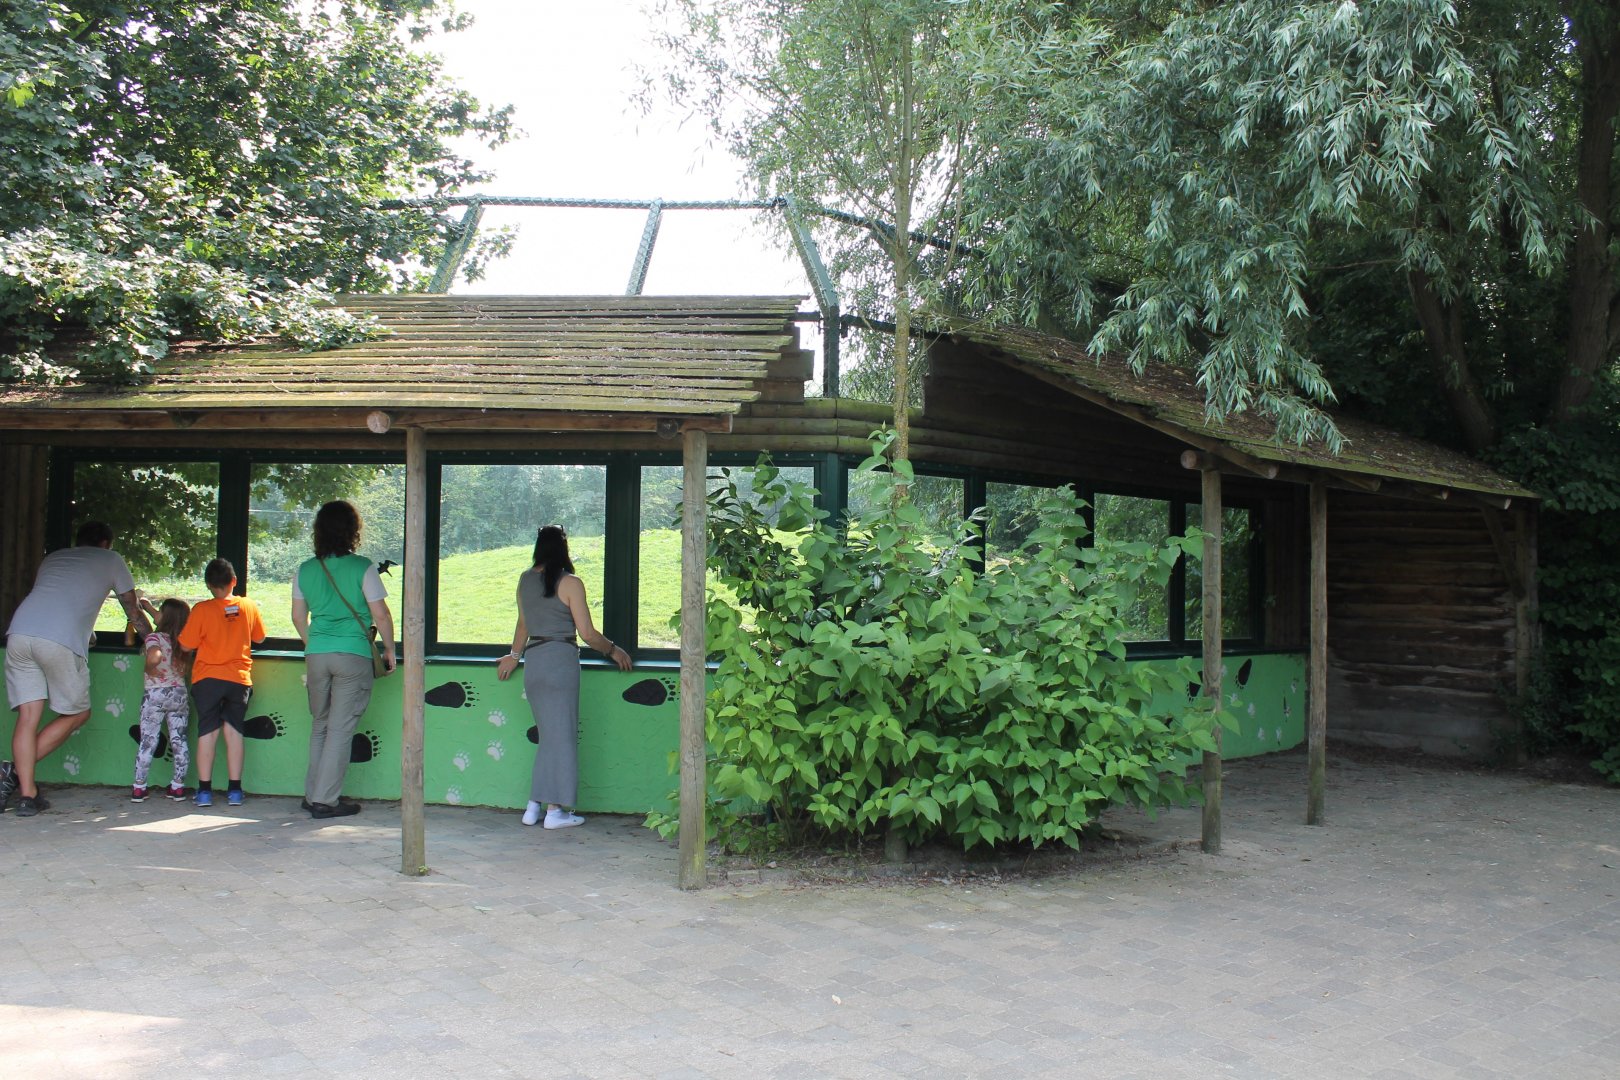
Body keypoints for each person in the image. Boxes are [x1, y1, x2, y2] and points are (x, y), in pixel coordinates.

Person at [2, 521, 150, 817]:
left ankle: (27, 795)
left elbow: (57, 599)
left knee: (29, 716)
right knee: (78, 713)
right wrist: (157, 640)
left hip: (19, 633)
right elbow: (132, 610)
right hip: (59, 641)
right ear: (107, 544)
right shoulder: (111, 559)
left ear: (78, 540)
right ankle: (13, 772)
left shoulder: (54, 557)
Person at [496, 524, 631, 830]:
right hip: (560, 662)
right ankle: (556, 810)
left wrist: (514, 656)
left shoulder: (525, 580)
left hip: (535, 663)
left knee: (549, 737)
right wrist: (613, 651)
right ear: (563, 548)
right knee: (563, 737)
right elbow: (587, 633)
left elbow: (523, 625)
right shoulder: (570, 583)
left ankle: (534, 806)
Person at [291, 500, 395, 820]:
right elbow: (381, 613)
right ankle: (326, 801)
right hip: (352, 654)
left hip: (317, 654)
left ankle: (313, 794)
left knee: (320, 724)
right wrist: (389, 649)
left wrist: (316, 645)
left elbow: (298, 617)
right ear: (353, 531)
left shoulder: (305, 569)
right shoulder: (362, 567)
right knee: (340, 728)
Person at [179, 558, 265, 808]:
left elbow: (186, 645)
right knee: (234, 731)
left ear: (208, 584)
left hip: (207, 680)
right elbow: (260, 638)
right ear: (234, 581)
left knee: (208, 731)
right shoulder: (248, 606)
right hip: (238, 679)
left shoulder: (202, 610)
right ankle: (235, 791)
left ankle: (204, 792)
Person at [132, 597, 192, 802]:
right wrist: (148, 607)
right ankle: (177, 787)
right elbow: (163, 618)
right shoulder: (185, 639)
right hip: (179, 694)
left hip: (155, 694)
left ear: (164, 617)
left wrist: (149, 668)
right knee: (179, 740)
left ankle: (139, 788)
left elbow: (155, 657)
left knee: (148, 740)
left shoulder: (155, 638)